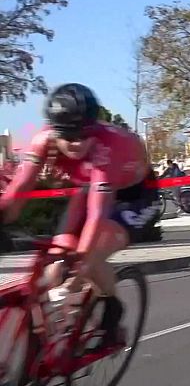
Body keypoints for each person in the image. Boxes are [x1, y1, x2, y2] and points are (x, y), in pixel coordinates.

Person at [0, 83, 159, 348]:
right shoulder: (43, 141)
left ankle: (111, 306)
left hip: (134, 197)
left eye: (84, 134)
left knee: (90, 253)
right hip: (91, 189)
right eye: (68, 136)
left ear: (93, 128)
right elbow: (17, 190)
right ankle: (46, 339)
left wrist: (73, 278)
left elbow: (97, 215)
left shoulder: (107, 147)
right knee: (53, 264)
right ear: (53, 131)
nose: (77, 143)